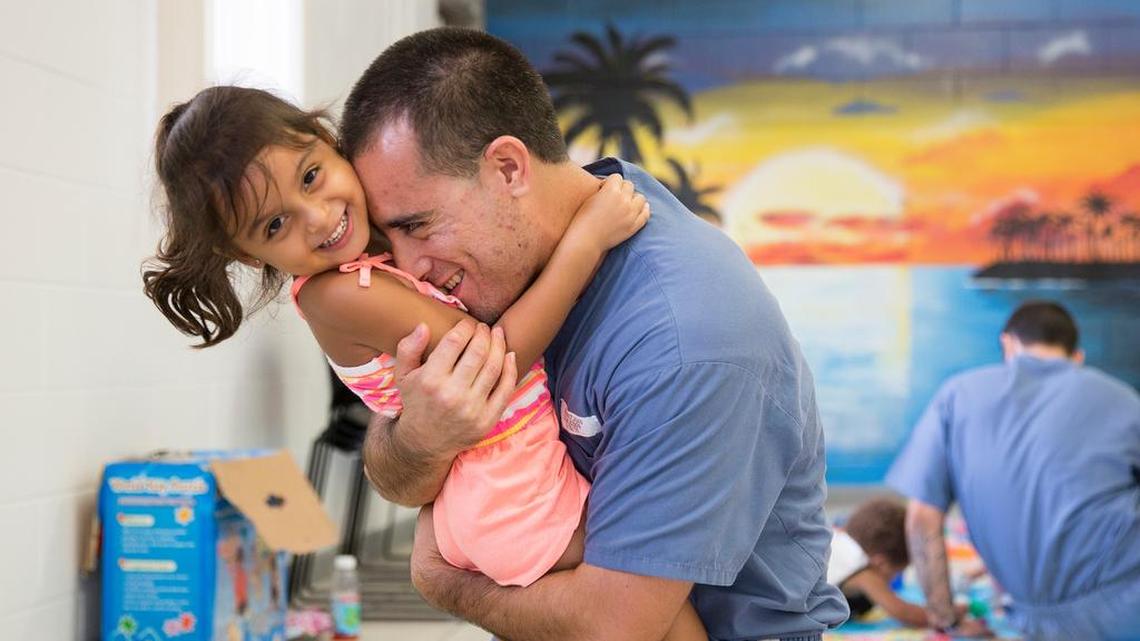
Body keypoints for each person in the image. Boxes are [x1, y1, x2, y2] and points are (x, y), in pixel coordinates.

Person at [141, 85, 708, 640]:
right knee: (652, 613)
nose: (316, 218)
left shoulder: (368, 256)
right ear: (246, 254)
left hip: (508, 477)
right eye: (274, 226)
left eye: (311, 176)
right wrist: (585, 241)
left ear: (322, 137)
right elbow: (493, 361)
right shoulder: (341, 293)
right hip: (509, 490)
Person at [339, 27, 849, 641]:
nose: (409, 270)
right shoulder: (510, 265)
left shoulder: (683, 340)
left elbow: (613, 626)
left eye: (417, 225)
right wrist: (422, 437)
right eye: (385, 241)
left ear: (507, 168)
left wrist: (441, 577)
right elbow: (401, 472)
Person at [887, 300, 1140, 640]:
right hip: (1125, 613)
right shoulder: (1123, 401)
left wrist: (947, 620)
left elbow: (921, 518)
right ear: (1077, 358)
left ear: (1008, 343)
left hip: (1031, 617)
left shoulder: (958, 396)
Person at [829, 497, 965, 629]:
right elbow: (905, 613)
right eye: (896, 572)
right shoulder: (863, 572)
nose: (894, 579)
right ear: (881, 563)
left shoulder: (838, 537)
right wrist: (948, 615)